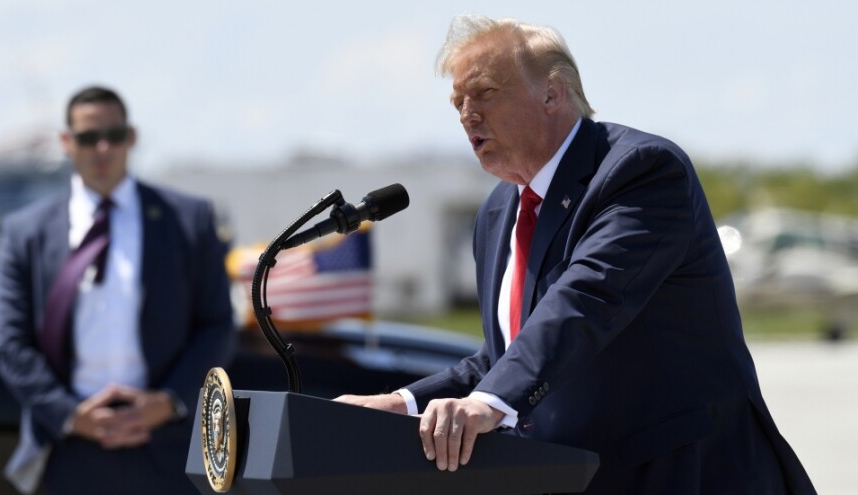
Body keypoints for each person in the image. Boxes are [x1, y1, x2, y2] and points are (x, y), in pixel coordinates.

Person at [335, 15, 817, 494]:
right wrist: (402, 404)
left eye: (483, 93)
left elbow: (584, 303)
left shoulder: (641, 172)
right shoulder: (498, 212)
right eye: (458, 102)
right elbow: (500, 357)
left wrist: (489, 403)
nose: (466, 114)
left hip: (689, 476)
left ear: (552, 93)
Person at [0, 86, 235, 494]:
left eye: (114, 135)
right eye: (88, 137)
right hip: (68, 448)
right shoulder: (25, 232)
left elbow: (216, 324)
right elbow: (11, 342)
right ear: (67, 142)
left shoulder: (189, 220)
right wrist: (70, 414)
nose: (102, 147)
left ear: (132, 137)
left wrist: (169, 401)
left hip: (168, 446)